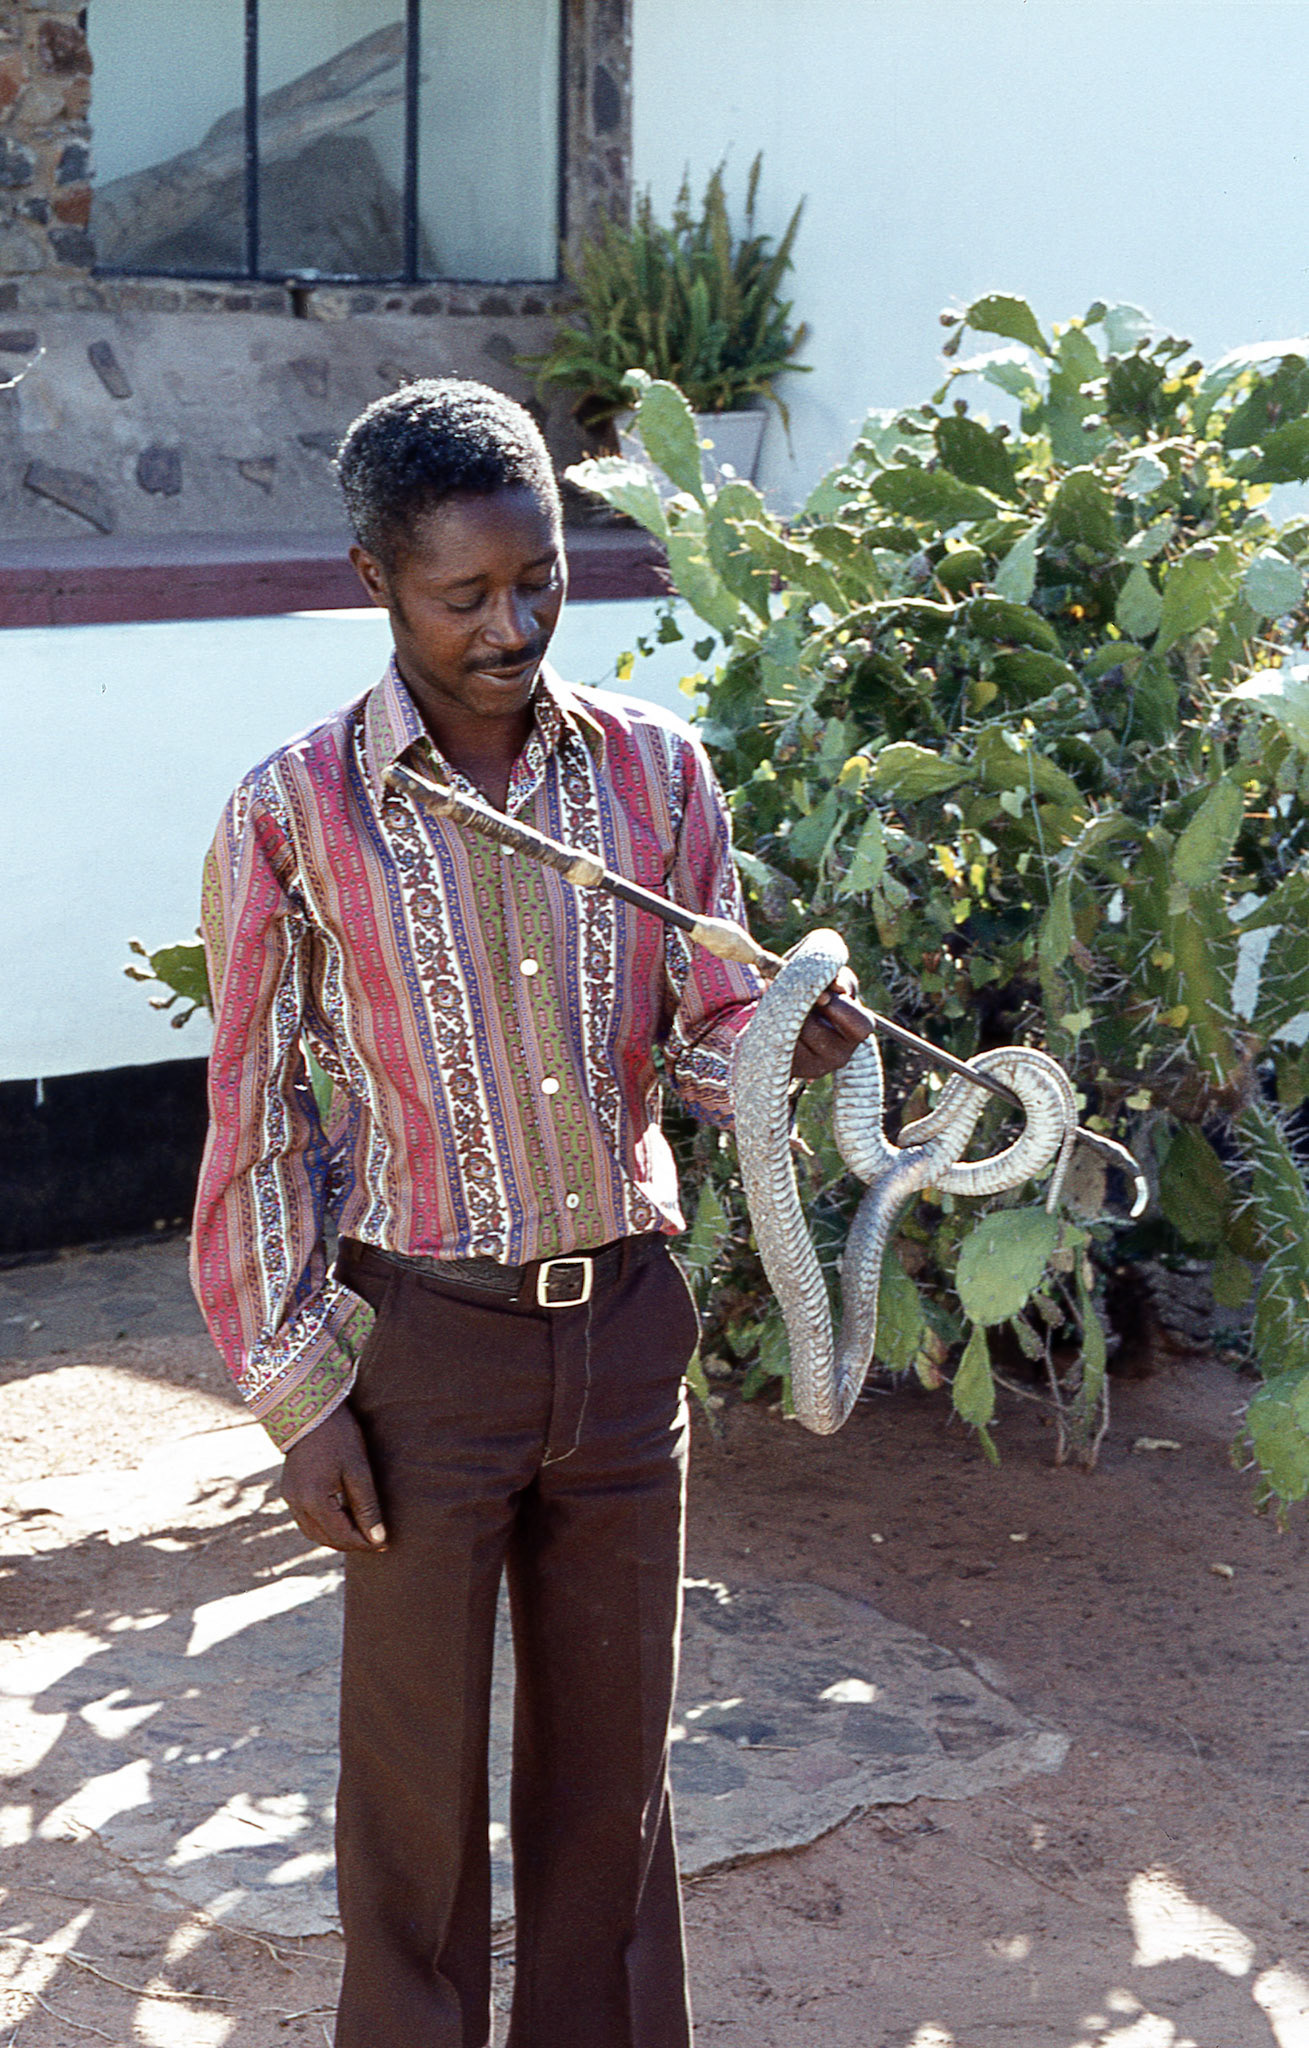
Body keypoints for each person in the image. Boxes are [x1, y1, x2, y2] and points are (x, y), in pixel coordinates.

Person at [190, 378, 861, 2048]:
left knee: (611, 1798)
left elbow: (698, 1042)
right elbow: (256, 1123)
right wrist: (300, 1399)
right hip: (420, 1359)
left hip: (625, 1339)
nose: (514, 625)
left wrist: (782, 1049)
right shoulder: (294, 811)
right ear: (374, 583)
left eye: (541, 579)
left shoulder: (654, 771)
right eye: (463, 595)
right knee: (413, 1818)